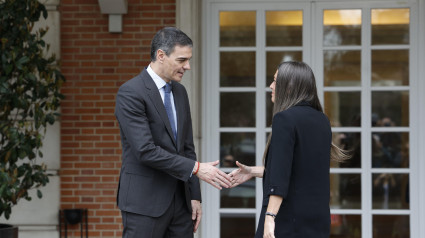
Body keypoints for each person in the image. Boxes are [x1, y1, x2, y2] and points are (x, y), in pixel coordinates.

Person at [115, 27, 232, 238]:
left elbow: (187, 147)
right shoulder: (131, 92)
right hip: (144, 203)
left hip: (181, 204)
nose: (187, 66)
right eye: (181, 60)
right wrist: (196, 169)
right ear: (161, 55)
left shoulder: (180, 91)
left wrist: (194, 196)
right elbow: (145, 150)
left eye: (188, 60)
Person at [230, 61, 349, 238]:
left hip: (287, 221)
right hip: (317, 222)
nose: (271, 86)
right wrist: (253, 171)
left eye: (276, 81)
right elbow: (298, 170)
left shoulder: (284, 119)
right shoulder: (322, 120)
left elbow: (279, 179)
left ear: (289, 87)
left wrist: (270, 218)